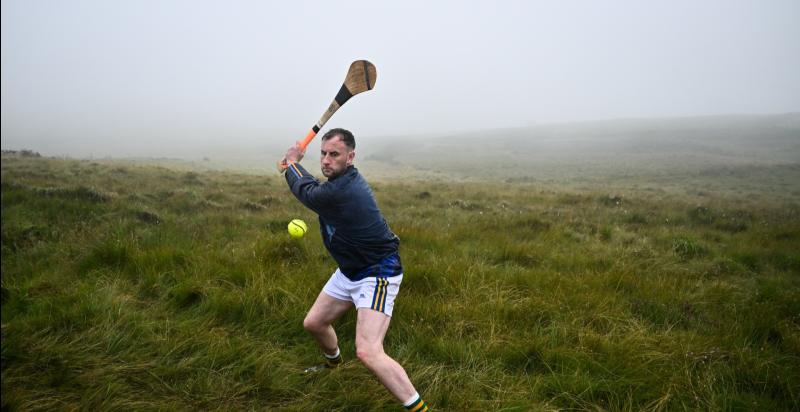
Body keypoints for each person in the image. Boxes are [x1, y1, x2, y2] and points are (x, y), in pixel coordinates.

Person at [279, 128, 429, 412]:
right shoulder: (338, 183)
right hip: (349, 270)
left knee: (368, 351)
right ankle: (333, 366)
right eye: (323, 153)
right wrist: (294, 165)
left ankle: (422, 409)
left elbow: (309, 193)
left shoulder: (345, 188)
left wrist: (291, 162)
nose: (325, 160)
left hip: (378, 272)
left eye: (334, 154)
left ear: (350, 157)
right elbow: (312, 188)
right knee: (314, 323)